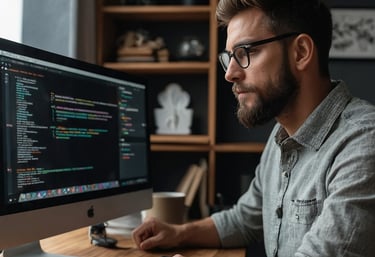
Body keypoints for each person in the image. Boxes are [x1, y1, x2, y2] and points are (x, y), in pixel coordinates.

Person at [132, 0, 375, 256]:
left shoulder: (363, 143)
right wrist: (179, 233)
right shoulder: (281, 135)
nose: (230, 74)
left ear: (301, 52)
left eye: (246, 51)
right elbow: (245, 219)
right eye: (229, 58)